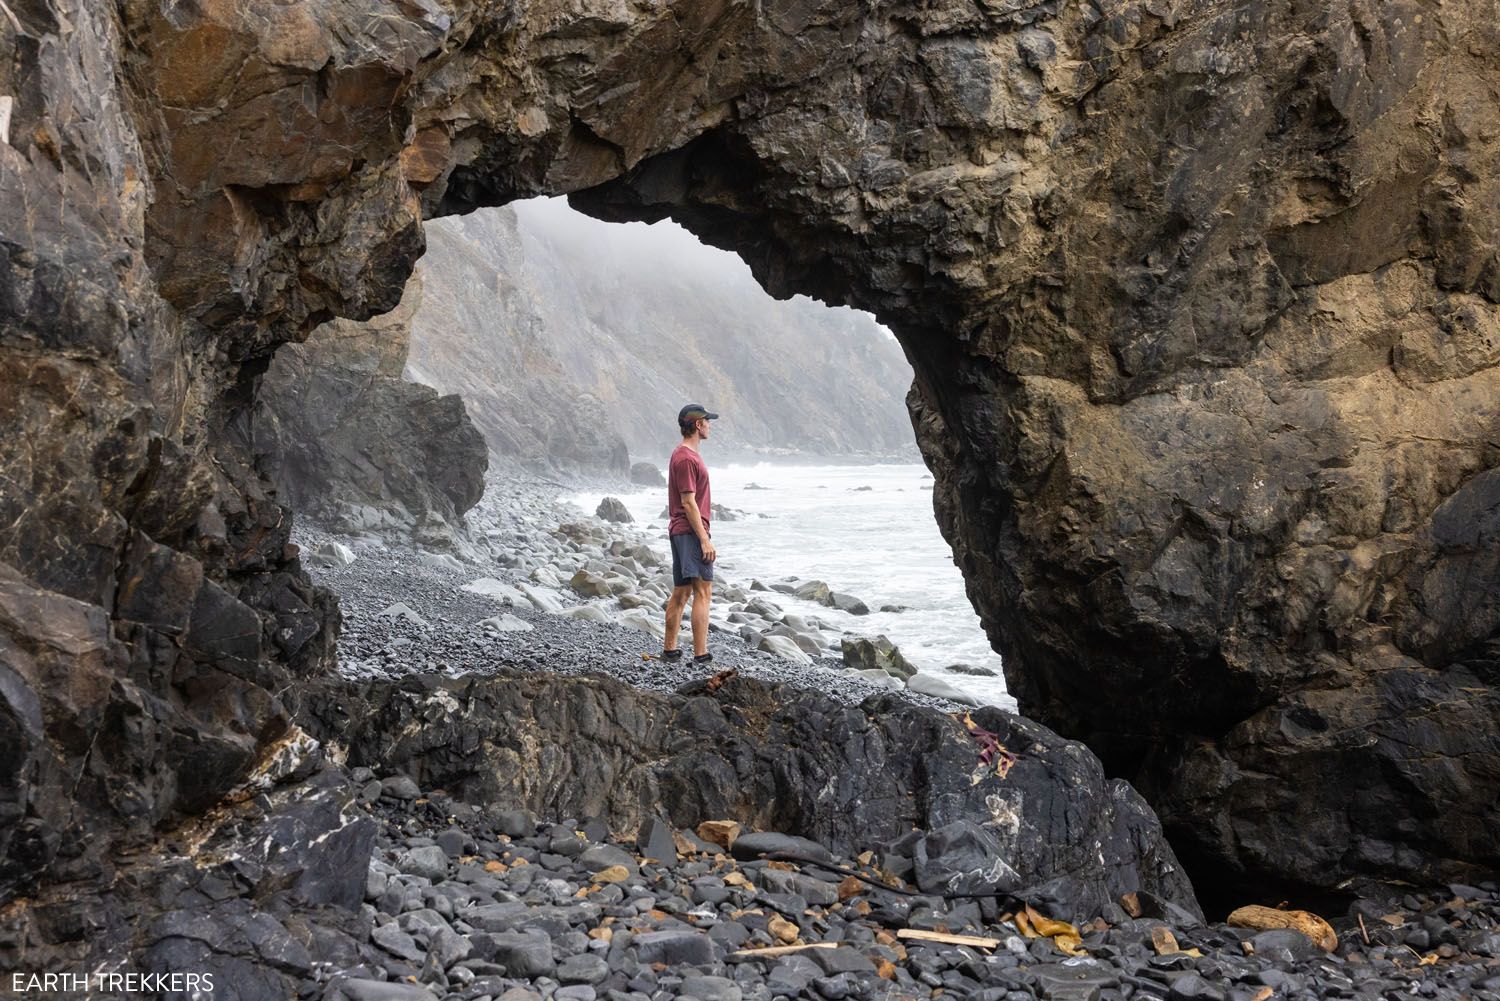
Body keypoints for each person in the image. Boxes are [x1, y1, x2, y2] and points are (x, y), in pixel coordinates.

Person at [663, 403, 718, 665]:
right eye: (707, 421)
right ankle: (701, 655)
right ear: (698, 425)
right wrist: (704, 538)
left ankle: (670, 650)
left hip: (681, 530)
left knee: (682, 592)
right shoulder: (686, 458)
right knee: (703, 591)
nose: (710, 425)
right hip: (690, 531)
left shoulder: (683, 455)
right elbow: (688, 501)